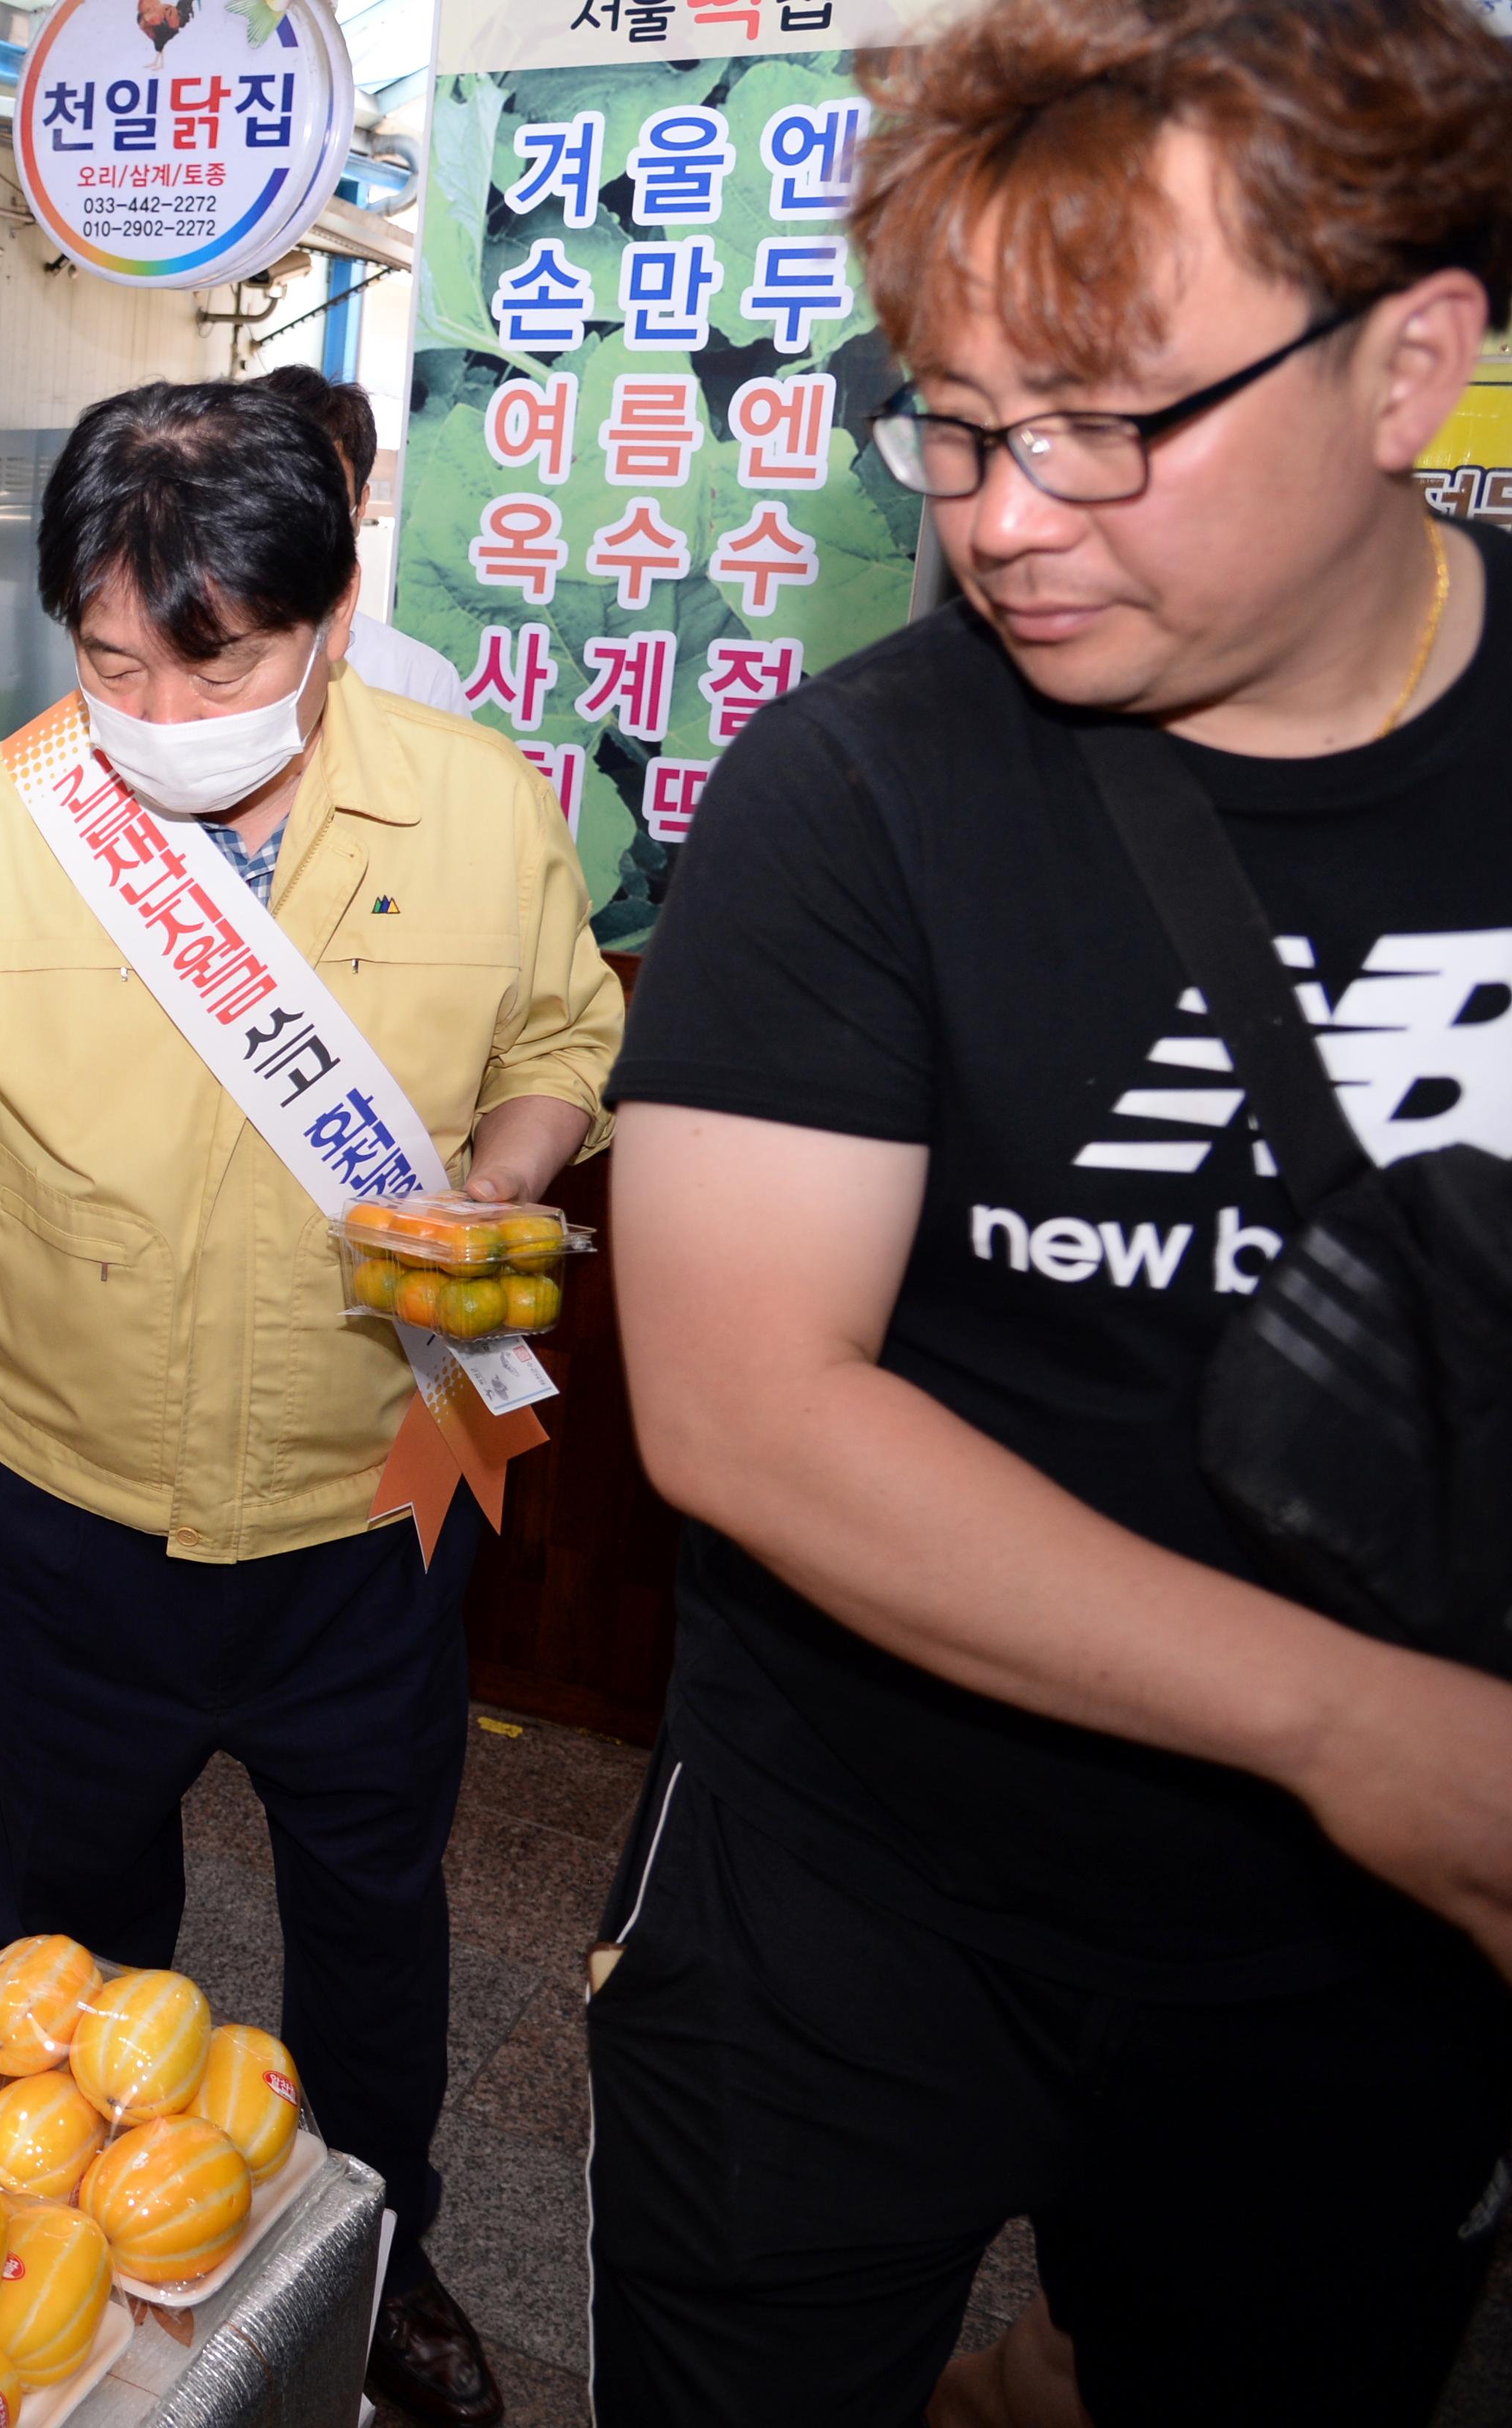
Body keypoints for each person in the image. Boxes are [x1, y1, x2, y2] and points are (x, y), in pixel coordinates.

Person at [588, 4, 1512, 2422]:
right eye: (957, 428)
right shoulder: (851, 793)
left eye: (1102, 425)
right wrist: (1343, 1721)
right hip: (851, 1881)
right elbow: (741, 1406)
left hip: (1357, 1967)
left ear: (1405, 360)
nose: (999, 516)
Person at [0, 380, 623, 2428]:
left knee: (371, 1917)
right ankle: (71, 2258)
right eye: (108, 659)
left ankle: (381, 2253)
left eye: (218, 657)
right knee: (69, 1938)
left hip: (374, 1494)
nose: (160, 708)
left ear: (329, 616)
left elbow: (563, 1030)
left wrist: (507, 1169)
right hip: (75, 1503)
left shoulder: (472, 802)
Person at [258, 365, 466, 713]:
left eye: (323, 497)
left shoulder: (420, 684)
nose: (294, 520)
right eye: (266, 491)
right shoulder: (160, 655)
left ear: (360, 506)